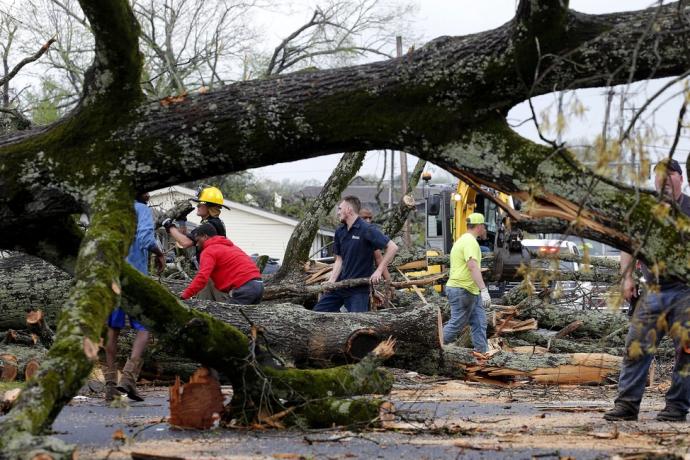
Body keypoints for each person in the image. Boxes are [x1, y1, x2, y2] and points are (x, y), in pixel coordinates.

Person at [604, 158, 690, 422]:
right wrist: (626, 278)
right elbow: (628, 245)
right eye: (659, 176)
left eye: (670, 176)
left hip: (686, 291)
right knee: (636, 348)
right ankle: (627, 405)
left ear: (681, 179)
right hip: (652, 290)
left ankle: (676, 407)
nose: (664, 181)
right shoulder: (645, 211)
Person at [105, 191, 166, 402]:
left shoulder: (113, 210)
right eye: (148, 190)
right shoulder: (142, 210)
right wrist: (159, 253)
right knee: (144, 328)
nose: (149, 194)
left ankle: (110, 386)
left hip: (112, 275)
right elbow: (146, 238)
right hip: (135, 278)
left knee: (113, 329)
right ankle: (129, 377)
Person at [314, 196, 398, 313]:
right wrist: (331, 281)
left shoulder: (367, 229)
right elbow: (339, 260)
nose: (338, 212)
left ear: (348, 209)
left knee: (358, 323)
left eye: (340, 209)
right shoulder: (340, 232)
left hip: (358, 290)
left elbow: (393, 247)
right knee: (317, 313)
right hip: (339, 285)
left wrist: (379, 271)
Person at [163, 185, 228, 299]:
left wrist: (169, 225)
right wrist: (182, 221)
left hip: (214, 276)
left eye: (200, 203)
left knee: (212, 307)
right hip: (212, 273)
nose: (197, 206)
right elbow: (184, 239)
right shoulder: (212, 223)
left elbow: (185, 242)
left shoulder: (210, 225)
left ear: (209, 206)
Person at [442, 212, 490, 352]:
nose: (484, 229)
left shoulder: (464, 239)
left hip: (469, 290)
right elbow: (472, 266)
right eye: (484, 226)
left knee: (480, 322)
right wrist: (484, 289)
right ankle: (432, 346)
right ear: (480, 226)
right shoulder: (470, 242)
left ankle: (482, 355)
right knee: (457, 324)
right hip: (462, 289)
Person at [180, 223, 264, 304]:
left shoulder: (209, 251)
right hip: (259, 285)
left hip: (244, 287)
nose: (197, 244)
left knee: (230, 317)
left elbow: (202, 277)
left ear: (205, 236)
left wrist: (184, 296)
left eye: (198, 240)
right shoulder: (231, 246)